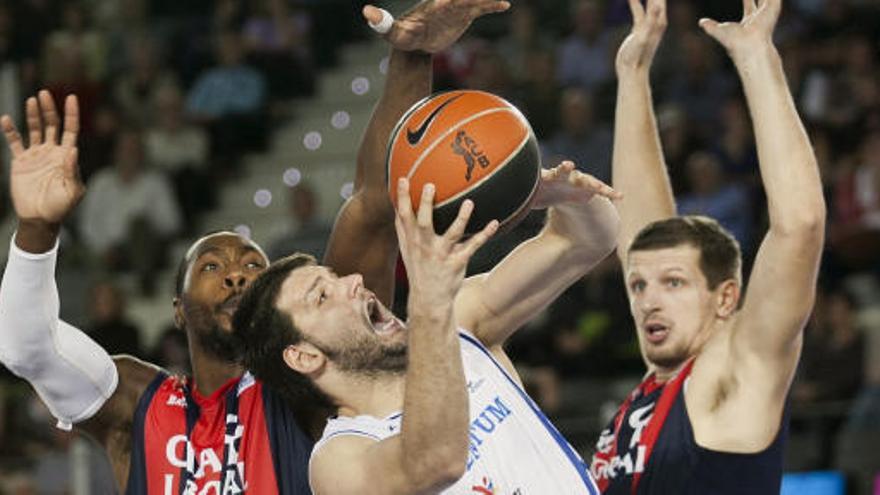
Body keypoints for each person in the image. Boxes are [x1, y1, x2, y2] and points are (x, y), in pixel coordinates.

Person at [0, 2, 510, 492]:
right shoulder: (136, 403)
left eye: (252, 266)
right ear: (177, 310)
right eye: (212, 265)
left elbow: (373, 205)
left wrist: (413, 55)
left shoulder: (304, 375)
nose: (237, 274)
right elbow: (25, 347)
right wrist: (37, 231)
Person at [234, 161, 621, 494]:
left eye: (335, 276)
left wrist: (543, 192)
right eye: (322, 296)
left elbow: (590, 239)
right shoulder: (338, 460)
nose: (353, 281)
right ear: (304, 355)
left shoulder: (458, 323)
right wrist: (429, 299)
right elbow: (437, 460)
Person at [589, 0, 826, 493]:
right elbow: (642, 236)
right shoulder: (656, 391)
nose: (648, 299)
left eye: (674, 283)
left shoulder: (736, 374)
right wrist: (632, 76)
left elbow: (799, 225)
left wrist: (758, 57)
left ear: (725, 297)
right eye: (638, 285)